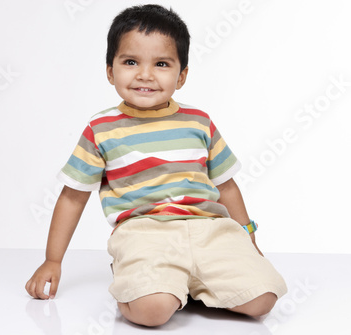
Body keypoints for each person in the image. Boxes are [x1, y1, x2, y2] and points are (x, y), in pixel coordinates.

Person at [25, 4, 287, 327]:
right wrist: (53, 260)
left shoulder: (199, 122)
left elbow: (226, 185)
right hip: (143, 232)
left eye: (161, 63)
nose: (145, 75)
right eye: (130, 62)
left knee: (263, 299)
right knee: (152, 312)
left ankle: (190, 281)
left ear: (182, 75)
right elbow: (72, 197)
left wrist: (248, 236)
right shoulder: (101, 128)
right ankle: (144, 280)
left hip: (210, 231)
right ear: (110, 70)